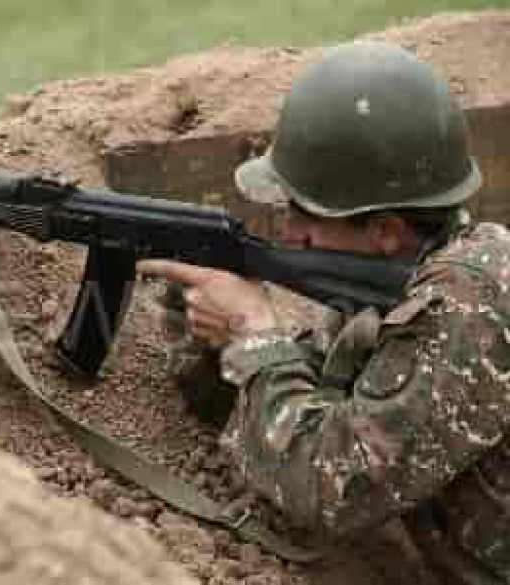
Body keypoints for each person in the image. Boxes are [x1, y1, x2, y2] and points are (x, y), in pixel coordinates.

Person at [138, 40, 510, 585]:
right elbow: (288, 406)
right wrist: (206, 325)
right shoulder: (403, 288)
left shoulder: (465, 307)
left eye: (304, 214)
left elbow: (332, 489)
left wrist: (254, 333)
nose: (288, 233)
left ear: (386, 232)